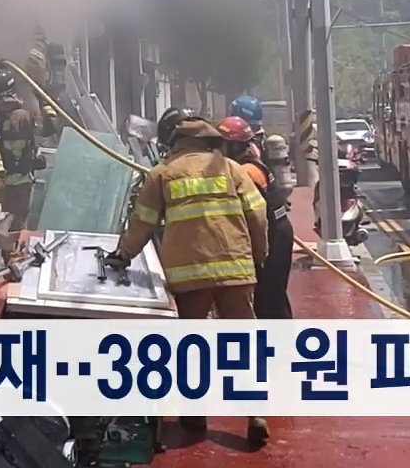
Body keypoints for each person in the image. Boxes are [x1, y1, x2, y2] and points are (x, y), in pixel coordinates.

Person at [104, 107, 270, 446]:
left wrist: (123, 254)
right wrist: (259, 254)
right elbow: (258, 214)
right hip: (236, 268)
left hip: (189, 275)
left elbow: (143, 222)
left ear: (173, 140)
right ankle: (255, 413)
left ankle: (195, 414)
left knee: (192, 345)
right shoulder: (230, 168)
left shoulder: (162, 174)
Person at [218, 117, 295, 321]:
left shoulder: (247, 172)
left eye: (221, 145)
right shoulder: (250, 164)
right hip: (277, 231)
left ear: (234, 146)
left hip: (273, 237)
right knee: (271, 296)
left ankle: (279, 339)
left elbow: (254, 216)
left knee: (270, 300)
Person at [0, 68, 57, 230]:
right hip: (20, 185)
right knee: (16, 230)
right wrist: (44, 99)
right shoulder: (25, 117)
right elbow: (49, 127)